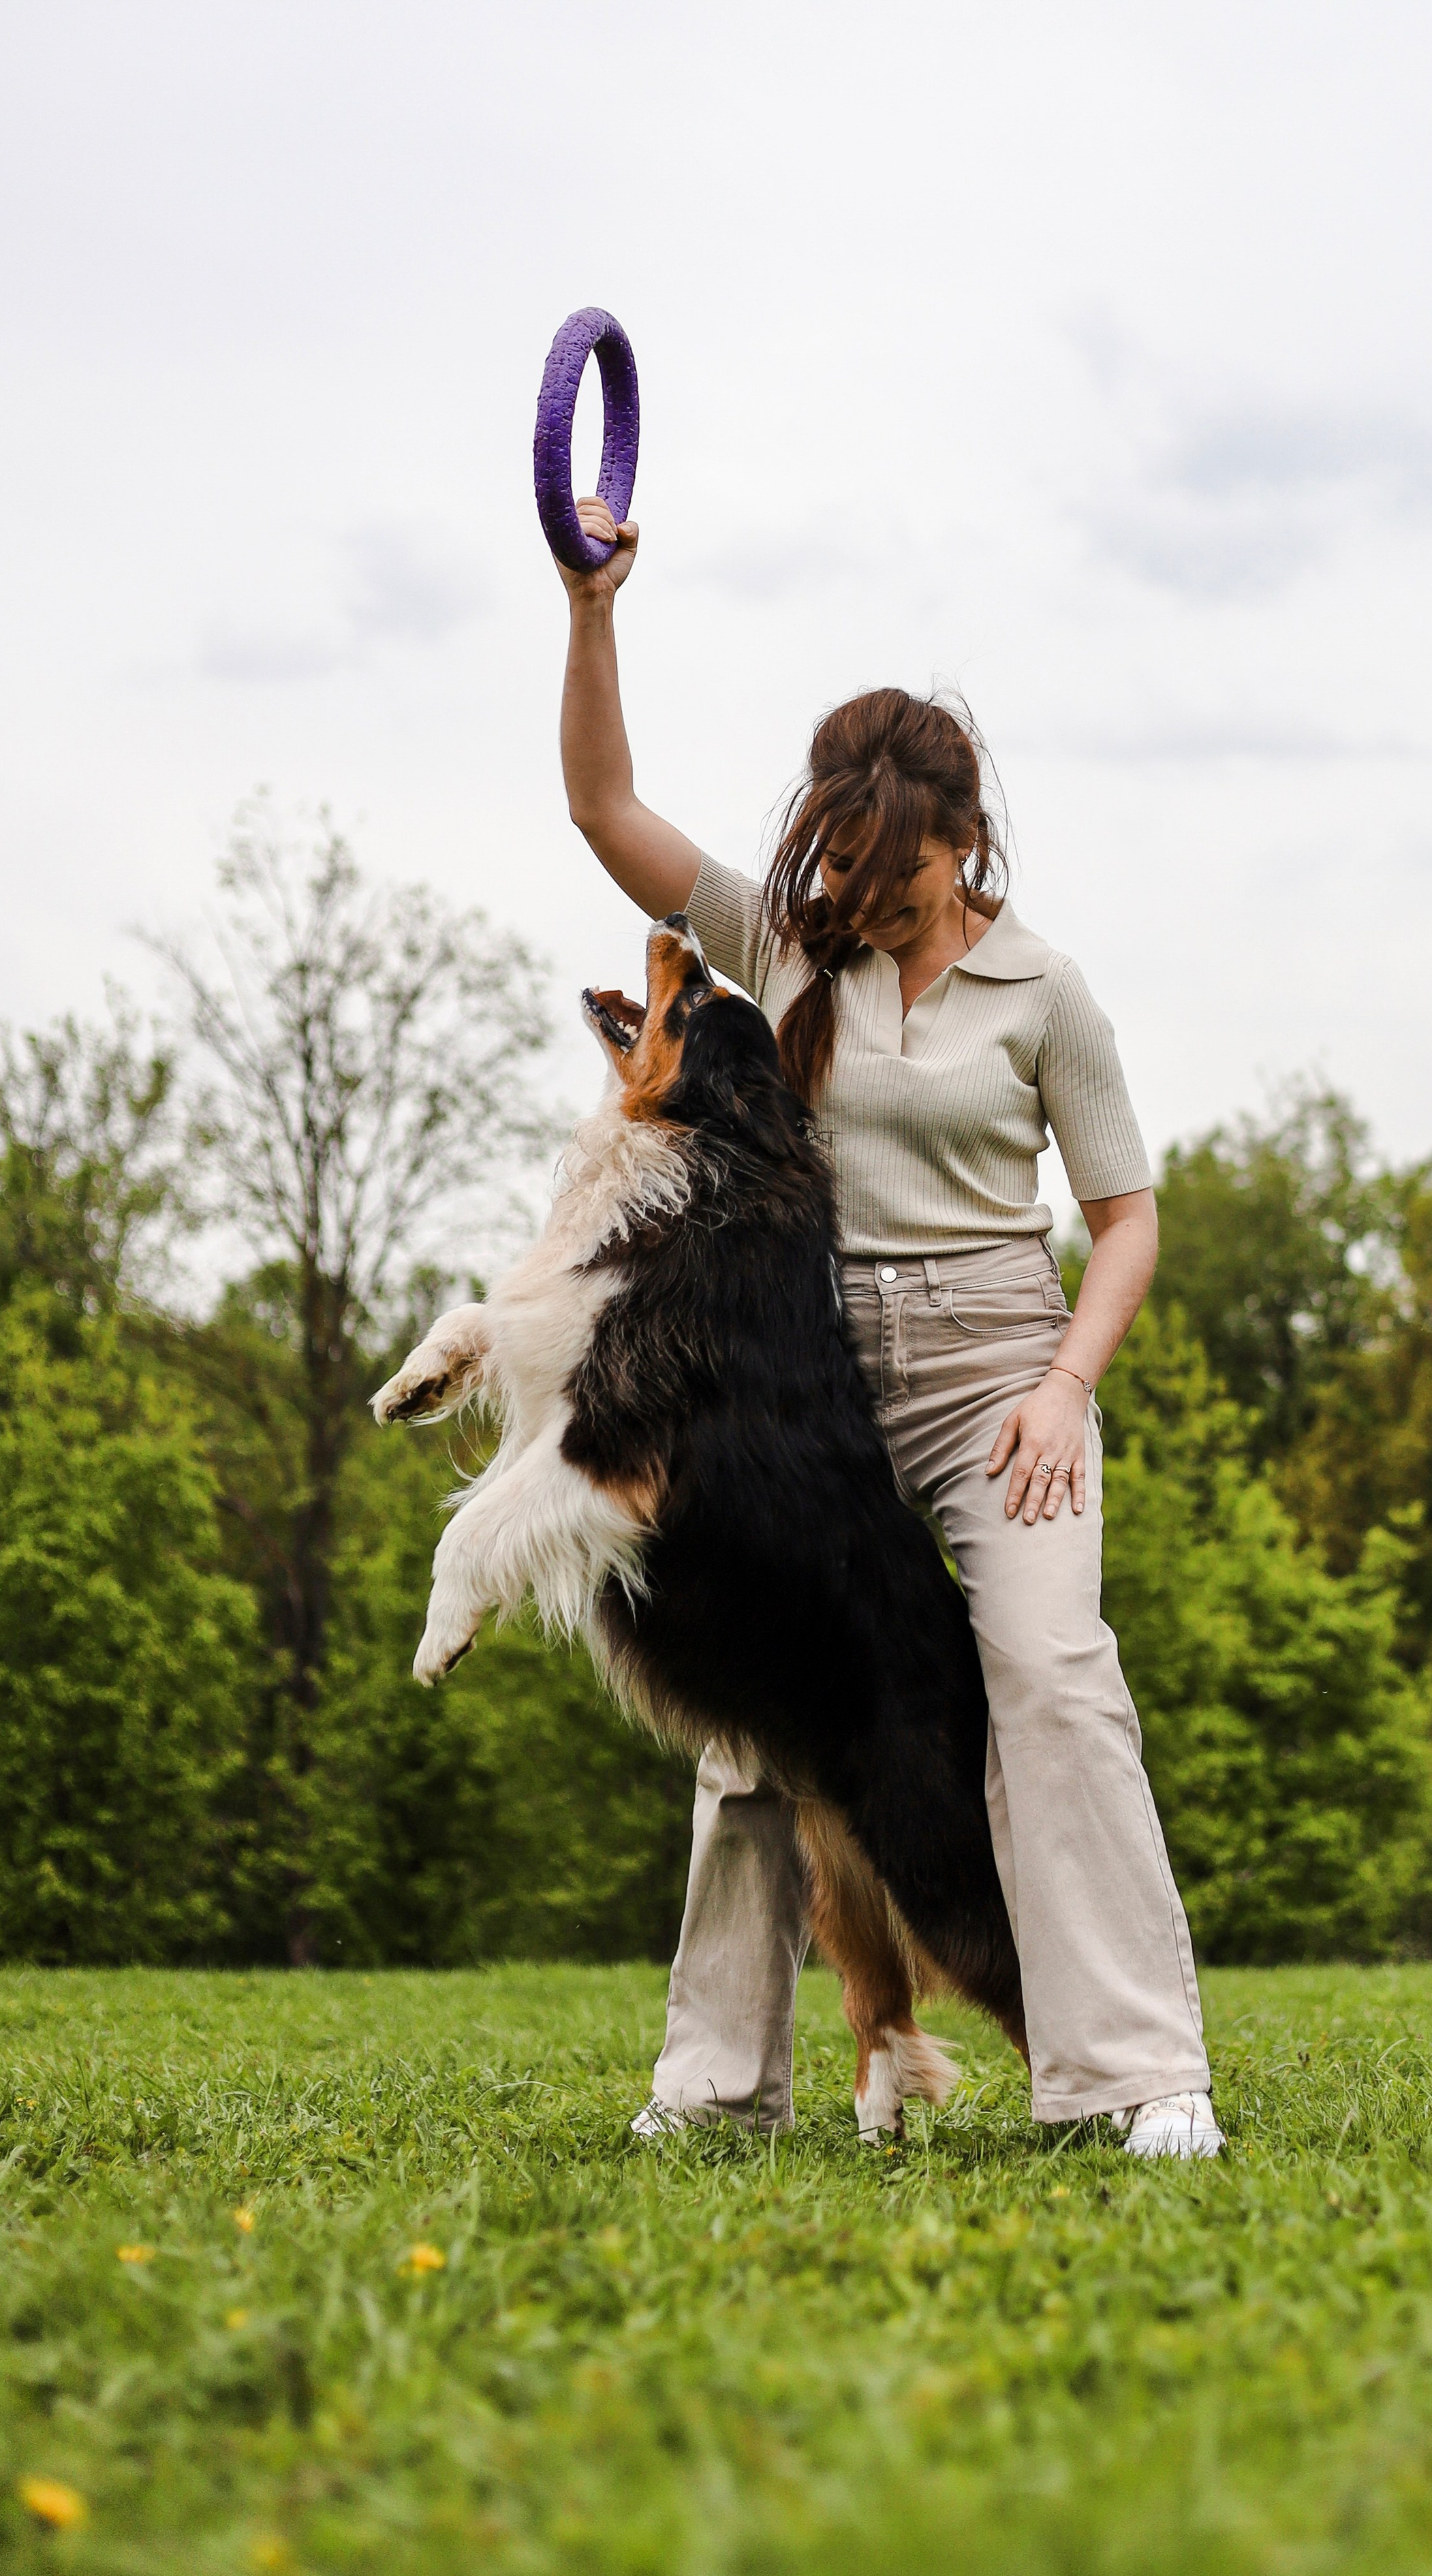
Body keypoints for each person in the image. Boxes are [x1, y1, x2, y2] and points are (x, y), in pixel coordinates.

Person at [552, 495, 1221, 2160]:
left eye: (898, 870)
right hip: (815, 1380)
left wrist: (1069, 1385)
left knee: (1052, 1678)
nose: (867, 896)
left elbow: (1127, 1216)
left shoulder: (1044, 993)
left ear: (963, 840)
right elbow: (602, 807)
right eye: (842, 865)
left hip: (1004, 1374)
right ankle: (716, 2090)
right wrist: (591, 609)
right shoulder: (788, 945)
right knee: (752, 1723)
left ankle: (1134, 2074)